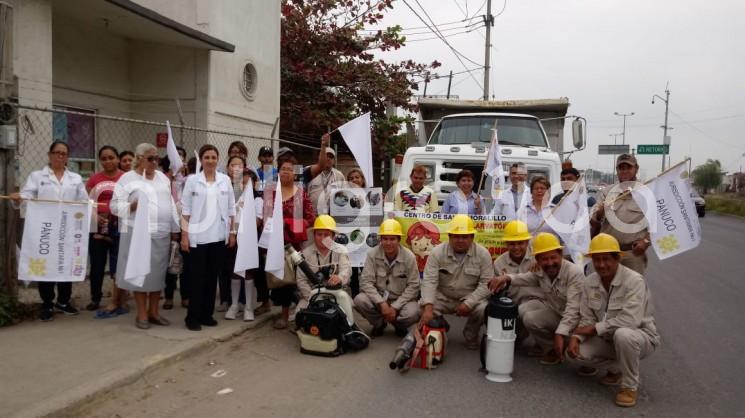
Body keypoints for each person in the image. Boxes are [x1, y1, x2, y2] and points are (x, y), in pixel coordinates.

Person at [567, 233, 660, 408]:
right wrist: (576, 337)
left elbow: (630, 321)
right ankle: (618, 367)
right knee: (574, 352)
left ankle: (629, 386)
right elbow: (586, 316)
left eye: (607, 259)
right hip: (608, 338)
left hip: (640, 337)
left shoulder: (634, 281)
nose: (602, 265)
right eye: (597, 259)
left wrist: (594, 328)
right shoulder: (590, 282)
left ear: (617, 258)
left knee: (623, 334)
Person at [10, 141, 88, 321]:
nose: (60, 156)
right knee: (45, 263)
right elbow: (27, 194)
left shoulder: (75, 178)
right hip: (45, 228)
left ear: (67, 157)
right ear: (50, 155)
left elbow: (83, 201)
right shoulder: (37, 176)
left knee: (64, 262)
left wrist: (92, 210)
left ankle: (63, 301)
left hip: (66, 229)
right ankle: (47, 303)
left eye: (64, 153)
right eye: (57, 153)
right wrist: (18, 198)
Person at [110, 143, 180, 329]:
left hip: (161, 234)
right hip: (137, 234)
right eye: (151, 158)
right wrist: (131, 207)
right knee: (141, 273)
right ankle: (141, 313)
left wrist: (175, 229)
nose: (155, 162)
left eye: (157, 158)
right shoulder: (127, 179)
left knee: (157, 275)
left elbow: (170, 204)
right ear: (139, 158)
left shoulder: (163, 179)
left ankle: (154, 312)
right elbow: (114, 206)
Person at [489, 232, 584, 364]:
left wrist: (560, 334)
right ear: (537, 261)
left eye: (553, 258)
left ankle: (574, 347)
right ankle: (552, 350)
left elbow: (573, 310)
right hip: (558, 314)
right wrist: (506, 277)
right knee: (530, 318)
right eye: (544, 259)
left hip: (579, 322)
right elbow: (525, 278)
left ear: (561, 255)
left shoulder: (574, 273)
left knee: (584, 355)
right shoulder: (541, 270)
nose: (550, 263)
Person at [181, 144, 236, 331]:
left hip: (218, 236)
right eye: (207, 157)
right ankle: (192, 317)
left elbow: (231, 209)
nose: (210, 161)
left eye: (213, 157)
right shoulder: (192, 181)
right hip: (198, 236)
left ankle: (206, 314)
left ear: (217, 160)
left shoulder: (225, 180)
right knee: (197, 278)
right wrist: (184, 236)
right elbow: (186, 210)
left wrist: (231, 233)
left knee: (212, 278)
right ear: (201, 160)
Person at [419, 214, 494, 349]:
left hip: (468, 297)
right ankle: (439, 330)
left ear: (472, 237)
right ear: (449, 237)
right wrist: (428, 308)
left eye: (465, 237)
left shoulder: (483, 254)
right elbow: (429, 280)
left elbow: (486, 284)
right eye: (456, 236)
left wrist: (468, 303)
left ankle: (470, 335)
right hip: (443, 297)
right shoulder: (437, 252)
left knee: (484, 309)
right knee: (424, 307)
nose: (460, 240)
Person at [265, 155, 316, 329]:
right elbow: (265, 215)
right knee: (278, 280)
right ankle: (283, 310)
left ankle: (287, 316)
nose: (286, 172)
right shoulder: (271, 192)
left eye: (290, 169)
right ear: (278, 172)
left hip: (293, 245)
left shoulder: (301, 193)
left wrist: (291, 225)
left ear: (295, 174)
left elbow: (311, 218)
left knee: (291, 279)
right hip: (274, 243)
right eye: (283, 168)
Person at [354, 219, 420, 337]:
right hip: (379, 299)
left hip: (400, 300)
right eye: (385, 239)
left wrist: (395, 306)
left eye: (392, 239)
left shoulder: (409, 257)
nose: (388, 243)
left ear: (399, 240)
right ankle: (379, 324)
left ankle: (399, 326)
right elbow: (366, 282)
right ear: (381, 240)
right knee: (360, 300)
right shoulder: (372, 254)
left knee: (415, 311)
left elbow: (414, 286)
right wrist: (381, 303)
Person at [590, 154, 650, 275]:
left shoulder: (646, 193)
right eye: (621, 168)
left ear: (636, 169)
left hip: (632, 254)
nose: (624, 171)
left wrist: (646, 242)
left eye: (628, 168)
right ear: (617, 170)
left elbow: (657, 225)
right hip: (607, 253)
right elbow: (593, 220)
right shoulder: (607, 192)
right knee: (604, 290)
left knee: (633, 291)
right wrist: (601, 211)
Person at [86, 145, 124, 313]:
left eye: (111, 157)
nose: (108, 161)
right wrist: (96, 217)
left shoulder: (126, 178)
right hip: (97, 226)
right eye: (104, 158)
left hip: (120, 226)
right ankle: (95, 298)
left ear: (117, 159)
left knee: (119, 265)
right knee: (97, 264)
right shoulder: (94, 179)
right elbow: (87, 203)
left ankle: (120, 298)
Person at [225, 165, 264, 322]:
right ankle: (234, 305)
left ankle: (248, 307)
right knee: (234, 271)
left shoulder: (258, 200)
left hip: (249, 241)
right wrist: (233, 234)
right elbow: (231, 218)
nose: (245, 186)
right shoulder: (234, 199)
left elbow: (257, 221)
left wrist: (242, 229)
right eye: (243, 183)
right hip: (235, 240)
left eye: (249, 183)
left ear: (254, 184)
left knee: (248, 273)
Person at [295, 215, 352, 311]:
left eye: (326, 235)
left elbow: (347, 270)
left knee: (346, 312)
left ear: (333, 236)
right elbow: (301, 281)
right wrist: (315, 298)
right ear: (314, 235)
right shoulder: (305, 253)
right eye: (319, 234)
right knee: (299, 313)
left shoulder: (341, 250)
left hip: (336, 294)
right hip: (312, 295)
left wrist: (339, 278)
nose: (322, 238)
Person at [217, 156, 249, 313]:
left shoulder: (248, 185)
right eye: (232, 165)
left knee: (241, 266)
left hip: (243, 232)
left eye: (239, 165)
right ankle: (225, 299)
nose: (235, 168)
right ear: (227, 167)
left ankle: (241, 300)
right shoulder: (222, 184)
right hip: (224, 230)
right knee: (224, 266)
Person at [492, 220, 543, 305]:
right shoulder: (499, 263)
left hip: (536, 302)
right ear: (506, 244)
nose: (516, 247)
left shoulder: (538, 257)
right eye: (512, 244)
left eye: (520, 243)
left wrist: (542, 264)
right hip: (509, 304)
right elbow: (496, 291)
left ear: (527, 242)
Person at [346, 167, 366, 296]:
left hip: (366, 238)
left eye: (357, 177)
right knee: (352, 269)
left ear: (362, 180)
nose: (354, 180)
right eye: (351, 178)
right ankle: (354, 296)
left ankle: (368, 295)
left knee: (367, 268)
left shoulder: (371, 195)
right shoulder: (344, 197)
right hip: (350, 238)